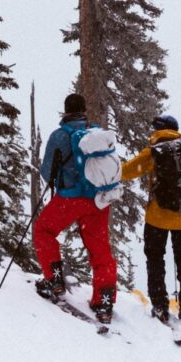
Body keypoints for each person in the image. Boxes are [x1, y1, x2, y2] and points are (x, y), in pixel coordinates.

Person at [33, 93, 118, 324]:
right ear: (84, 110)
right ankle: (104, 300)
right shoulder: (96, 133)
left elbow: (46, 171)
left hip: (70, 199)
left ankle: (54, 280)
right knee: (100, 249)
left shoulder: (60, 135)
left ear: (66, 111)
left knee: (43, 230)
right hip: (98, 200)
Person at [122, 114, 181, 327]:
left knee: (155, 260)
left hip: (157, 217)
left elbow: (127, 172)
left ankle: (160, 306)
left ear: (159, 130)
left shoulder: (154, 152)